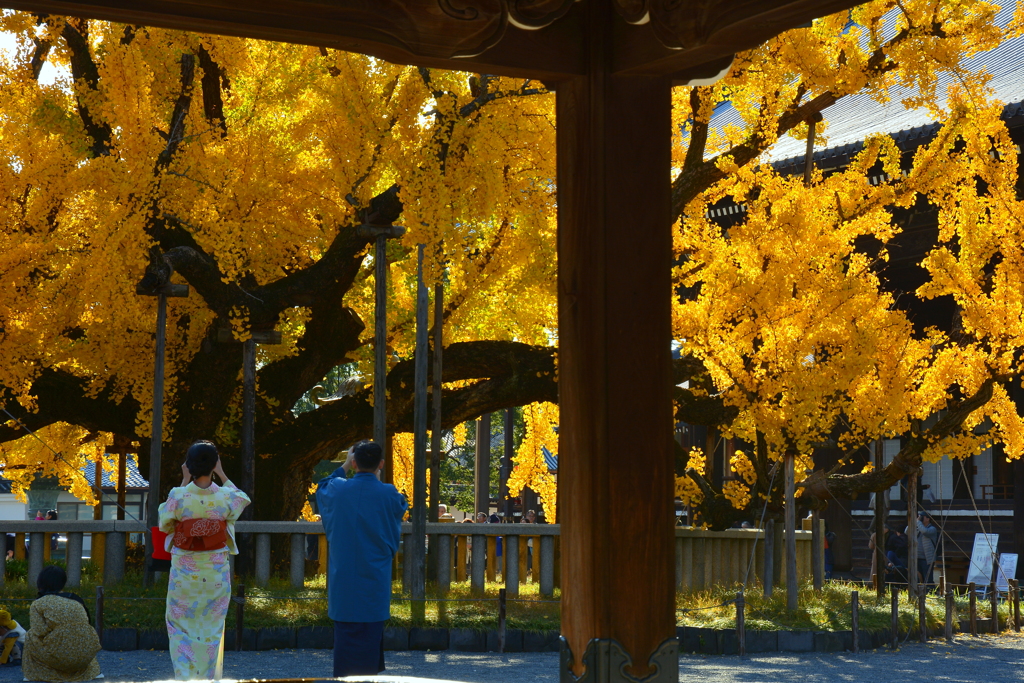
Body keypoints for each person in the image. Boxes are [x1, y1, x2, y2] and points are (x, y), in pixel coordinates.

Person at [159, 440, 250, 681]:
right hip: (215, 572)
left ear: (188, 466)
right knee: (211, 628)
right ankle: (207, 678)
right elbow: (243, 499)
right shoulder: (226, 496)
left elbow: (164, 522)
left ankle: (185, 677)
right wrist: (221, 473)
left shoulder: (179, 495)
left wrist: (183, 481)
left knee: (180, 626)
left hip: (184, 573)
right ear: (213, 464)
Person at [317, 440, 406, 678]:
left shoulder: (337, 489)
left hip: (344, 576)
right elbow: (400, 506)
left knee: (345, 640)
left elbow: (322, 485)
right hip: (374, 574)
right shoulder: (388, 493)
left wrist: (345, 465)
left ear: (354, 461)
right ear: (381, 463)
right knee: (370, 636)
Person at [22, 565, 101, 682]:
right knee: (82, 636)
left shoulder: (38, 604)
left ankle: (35, 673)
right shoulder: (75, 600)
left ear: (41, 582)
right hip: (85, 656)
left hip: (59, 656)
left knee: (29, 635)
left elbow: (39, 631)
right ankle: (91, 672)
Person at [914, 511, 939, 588]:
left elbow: (925, 531)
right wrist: (914, 523)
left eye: (922, 517)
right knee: (918, 578)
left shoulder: (932, 529)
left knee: (928, 579)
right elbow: (907, 532)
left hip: (927, 558)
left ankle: (930, 592)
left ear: (928, 519)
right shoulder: (919, 527)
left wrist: (918, 522)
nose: (920, 518)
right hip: (917, 557)